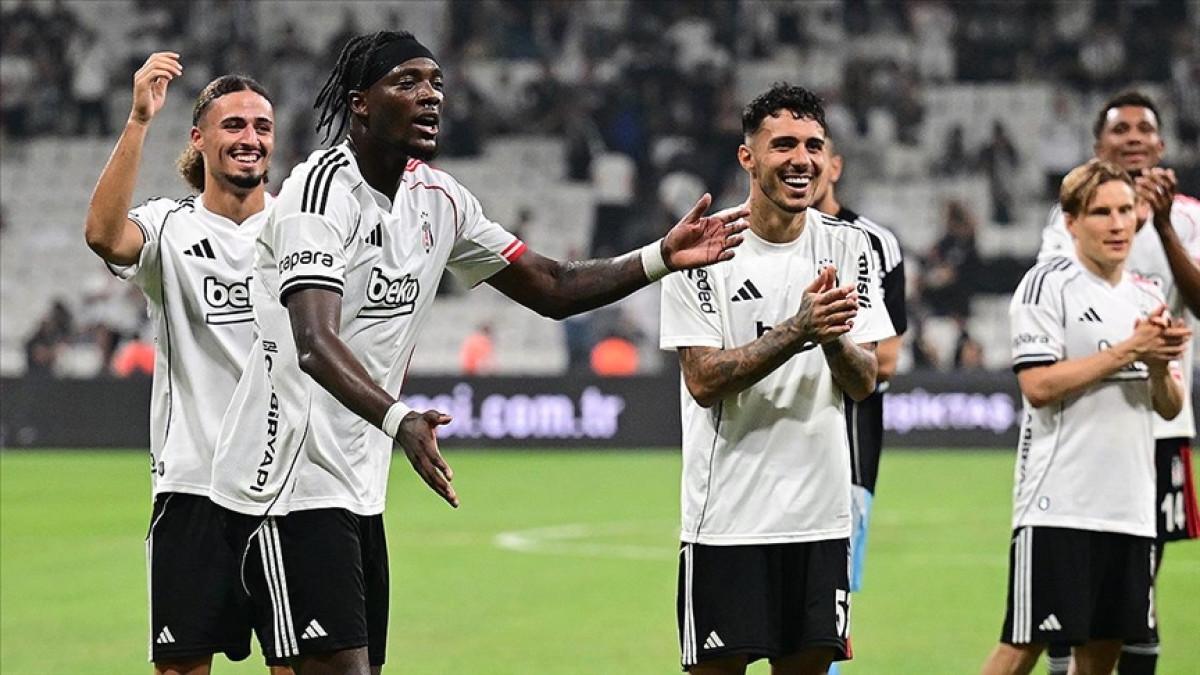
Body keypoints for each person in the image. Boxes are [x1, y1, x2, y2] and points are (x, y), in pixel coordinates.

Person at [207, 31, 749, 674]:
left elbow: (552, 286)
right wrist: (400, 420)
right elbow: (314, 342)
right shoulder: (318, 192)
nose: (430, 96)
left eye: (435, 82)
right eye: (407, 82)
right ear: (359, 103)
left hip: (355, 488)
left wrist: (659, 256)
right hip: (285, 484)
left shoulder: (440, 200)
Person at [659, 83, 895, 675]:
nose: (801, 160)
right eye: (783, 144)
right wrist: (799, 329)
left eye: (813, 145)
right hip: (727, 522)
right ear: (748, 156)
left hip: (820, 520)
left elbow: (864, 380)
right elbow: (702, 380)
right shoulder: (702, 249)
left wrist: (832, 336)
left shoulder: (850, 246)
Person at [82, 53, 291, 675]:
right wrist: (139, 120)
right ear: (198, 139)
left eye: (262, 126)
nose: (250, 138)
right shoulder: (169, 226)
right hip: (192, 485)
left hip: (287, 491)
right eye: (234, 125)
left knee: (300, 666)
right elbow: (104, 235)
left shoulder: (300, 229)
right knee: (179, 669)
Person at [980, 159, 1189, 675]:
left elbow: (1170, 404)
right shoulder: (1046, 285)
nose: (1118, 224)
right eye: (1101, 213)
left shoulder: (1148, 295)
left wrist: (1157, 365)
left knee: (1101, 656)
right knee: (1022, 646)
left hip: (1131, 509)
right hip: (1060, 505)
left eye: (1126, 211)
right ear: (1071, 222)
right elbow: (1038, 386)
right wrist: (1129, 350)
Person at [1036, 90, 1200, 675]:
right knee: (1070, 590)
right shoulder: (1070, 217)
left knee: (1138, 591)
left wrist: (1162, 224)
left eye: (1143, 129)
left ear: (1161, 144)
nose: (1133, 138)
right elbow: (1058, 289)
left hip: (1161, 418)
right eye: (1120, 129)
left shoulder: (1188, 216)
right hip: (1086, 424)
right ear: (1098, 146)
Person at [810, 135, 908, 675]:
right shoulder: (758, 238)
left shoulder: (874, 243)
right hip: (782, 431)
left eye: (815, 152)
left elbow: (884, 360)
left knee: (835, 586)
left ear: (835, 166)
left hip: (852, 430)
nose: (804, 164)